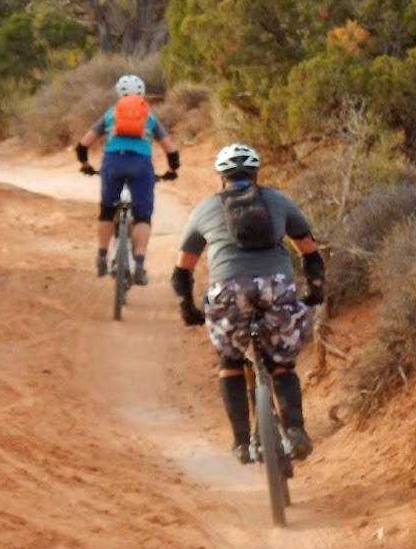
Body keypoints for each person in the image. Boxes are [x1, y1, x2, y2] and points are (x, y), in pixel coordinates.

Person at [169, 142, 324, 463]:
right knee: (282, 363)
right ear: (255, 173)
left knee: (229, 362)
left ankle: (241, 442)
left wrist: (189, 310)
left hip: (228, 292)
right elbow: (309, 250)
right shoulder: (278, 201)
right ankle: (295, 429)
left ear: (221, 177)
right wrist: (315, 291)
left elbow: (182, 269)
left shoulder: (206, 208)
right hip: (277, 288)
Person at [74, 74, 181, 286]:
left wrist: (86, 165)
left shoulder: (110, 114)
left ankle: (102, 257)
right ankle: (139, 266)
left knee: (106, 210)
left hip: (113, 163)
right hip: (141, 165)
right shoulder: (149, 117)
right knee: (143, 216)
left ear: (118, 93)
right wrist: (171, 170)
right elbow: (170, 149)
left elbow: (83, 145)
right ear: (142, 94)